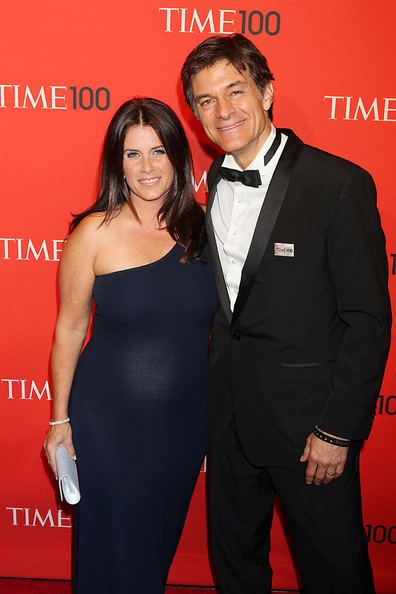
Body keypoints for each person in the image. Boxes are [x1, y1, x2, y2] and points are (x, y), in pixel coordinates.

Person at [181, 34, 391, 594]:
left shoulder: (338, 184)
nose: (223, 111)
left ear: (267, 91)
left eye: (235, 91)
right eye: (206, 100)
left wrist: (337, 430)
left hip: (309, 432)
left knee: (335, 572)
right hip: (228, 425)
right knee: (237, 570)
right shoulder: (206, 190)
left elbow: (368, 321)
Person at [43, 97, 218, 594]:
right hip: (109, 427)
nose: (147, 167)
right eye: (133, 154)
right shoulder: (92, 234)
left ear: (179, 157)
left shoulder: (204, 228)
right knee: (115, 552)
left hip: (184, 426)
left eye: (158, 152)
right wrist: (59, 422)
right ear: (116, 161)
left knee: (154, 550)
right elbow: (70, 329)